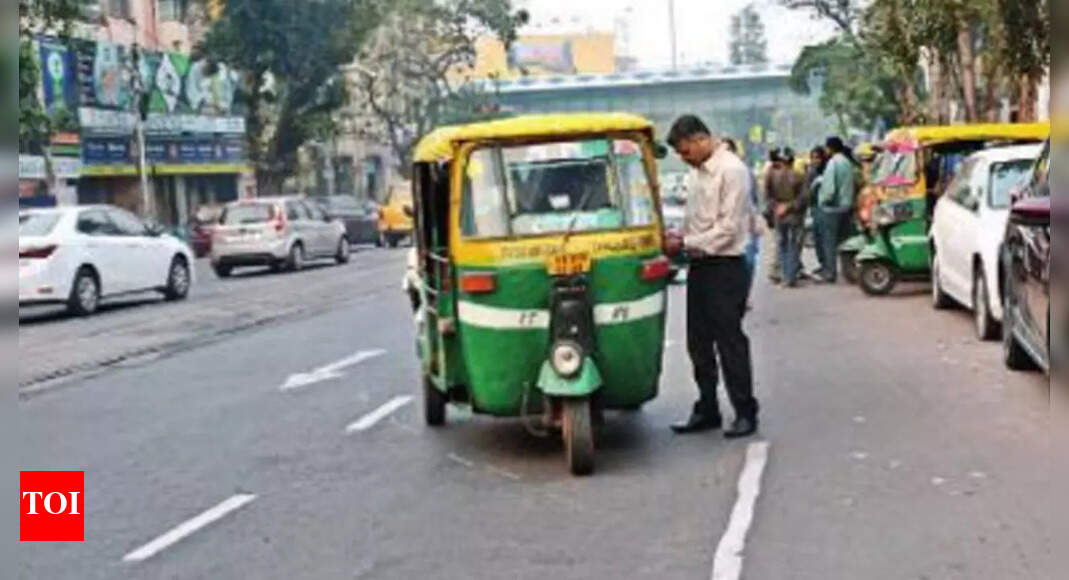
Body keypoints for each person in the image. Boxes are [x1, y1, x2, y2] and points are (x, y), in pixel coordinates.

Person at [664, 115, 760, 439]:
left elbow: (728, 229)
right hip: (700, 266)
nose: (684, 157)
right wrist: (680, 238)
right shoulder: (696, 175)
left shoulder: (731, 170)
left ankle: (745, 410)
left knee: (729, 342)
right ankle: (708, 407)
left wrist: (685, 243)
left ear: (700, 139)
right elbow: (698, 222)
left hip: (726, 266)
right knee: (698, 343)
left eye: (685, 150)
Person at [816, 136, 858, 283]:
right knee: (846, 241)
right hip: (848, 205)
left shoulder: (833, 163)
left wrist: (823, 202)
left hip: (833, 208)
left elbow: (829, 189)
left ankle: (830, 273)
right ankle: (850, 272)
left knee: (829, 242)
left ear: (831, 148)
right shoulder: (847, 162)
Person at [724, 138, 761, 298]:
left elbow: (753, 200)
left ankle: (742, 295)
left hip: (745, 225)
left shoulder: (745, 172)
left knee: (748, 262)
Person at [765, 147, 807, 286]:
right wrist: (789, 206)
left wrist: (776, 208)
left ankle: (785, 276)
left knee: (782, 244)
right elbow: (803, 198)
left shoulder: (771, 175)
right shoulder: (799, 175)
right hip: (794, 214)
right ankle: (791, 277)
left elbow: (767, 196)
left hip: (779, 214)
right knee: (793, 246)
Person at [805, 146, 829, 278]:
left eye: (817, 157)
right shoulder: (810, 171)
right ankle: (822, 264)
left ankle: (827, 266)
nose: (815, 160)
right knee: (818, 239)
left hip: (823, 208)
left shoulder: (826, 171)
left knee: (824, 239)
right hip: (814, 207)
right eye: (813, 157)